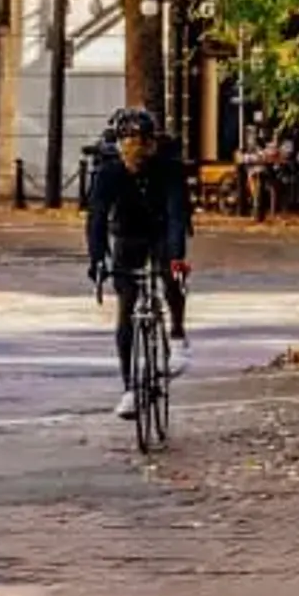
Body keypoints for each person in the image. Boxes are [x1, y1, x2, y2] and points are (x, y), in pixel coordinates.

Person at [82, 106, 191, 421]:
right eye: (129, 145)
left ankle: (178, 334)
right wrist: (97, 258)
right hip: (127, 234)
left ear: (152, 144)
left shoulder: (168, 170)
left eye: (143, 144)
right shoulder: (108, 172)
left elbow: (176, 216)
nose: (136, 153)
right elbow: (97, 218)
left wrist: (175, 257)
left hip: (159, 230)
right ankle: (130, 388)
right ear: (119, 146)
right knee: (126, 309)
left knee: (170, 277)